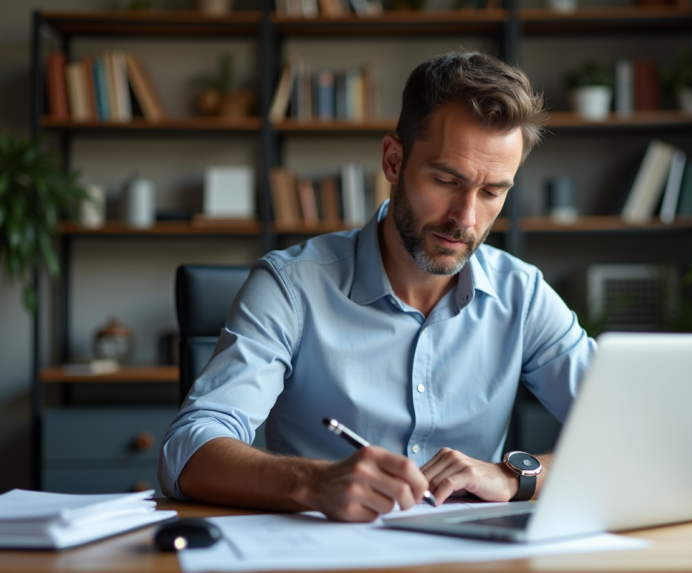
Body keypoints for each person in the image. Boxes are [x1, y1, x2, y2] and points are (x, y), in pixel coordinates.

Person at [158, 52, 596, 522]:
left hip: (470, 552)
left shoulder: (522, 295)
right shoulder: (290, 287)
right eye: (446, 180)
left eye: (492, 192)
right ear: (393, 160)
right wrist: (314, 483)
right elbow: (187, 451)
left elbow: (637, 432)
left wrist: (515, 477)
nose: (466, 218)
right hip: (324, 547)